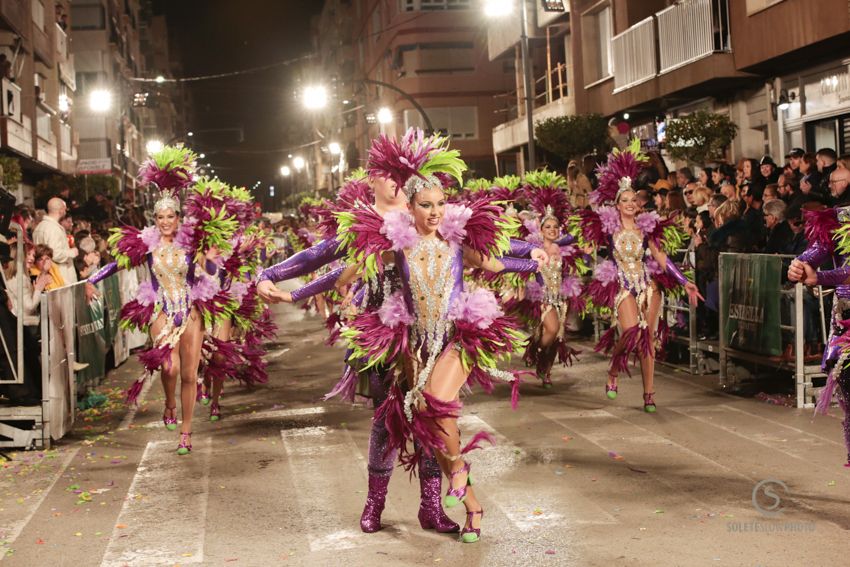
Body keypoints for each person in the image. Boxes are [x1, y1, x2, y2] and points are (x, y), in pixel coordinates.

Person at [88, 147, 237, 455]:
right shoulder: (146, 244)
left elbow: (213, 272)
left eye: (171, 216)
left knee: (187, 373)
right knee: (168, 368)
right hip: (160, 309)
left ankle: (186, 431)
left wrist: (211, 261)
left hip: (191, 309)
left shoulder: (192, 242)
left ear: (179, 218)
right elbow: (117, 263)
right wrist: (92, 280)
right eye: (160, 217)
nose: (165, 221)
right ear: (153, 218)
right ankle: (168, 402)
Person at [579, 141, 702, 412]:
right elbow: (586, 245)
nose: (631, 204)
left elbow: (661, 258)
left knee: (648, 341)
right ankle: (614, 370)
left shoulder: (647, 227)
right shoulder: (609, 227)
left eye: (634, 200)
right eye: (625, 200)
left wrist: (684, 281)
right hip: (622, 284)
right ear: (617, 204)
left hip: (648, 285)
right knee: (631, 333)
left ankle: (649, 393)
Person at [518, 182, 583, 388]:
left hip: (560, 297)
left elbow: (577, 236)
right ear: (540, 229)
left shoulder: (561, 246)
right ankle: (535, 350)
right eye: (548, 227)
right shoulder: (534, 248)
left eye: (555, 227)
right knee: (552, 330)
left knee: (557, 337)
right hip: (543, 297)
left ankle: (545, 370)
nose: (552, 230)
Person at [32, 198, 78, 286]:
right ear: (61, 210)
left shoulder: (39, 227)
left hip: (47, 275)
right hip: (60, 276)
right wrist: (71, 252)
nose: (65, 211)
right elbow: (55, 254)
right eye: (65, 208)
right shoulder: (53, 229)